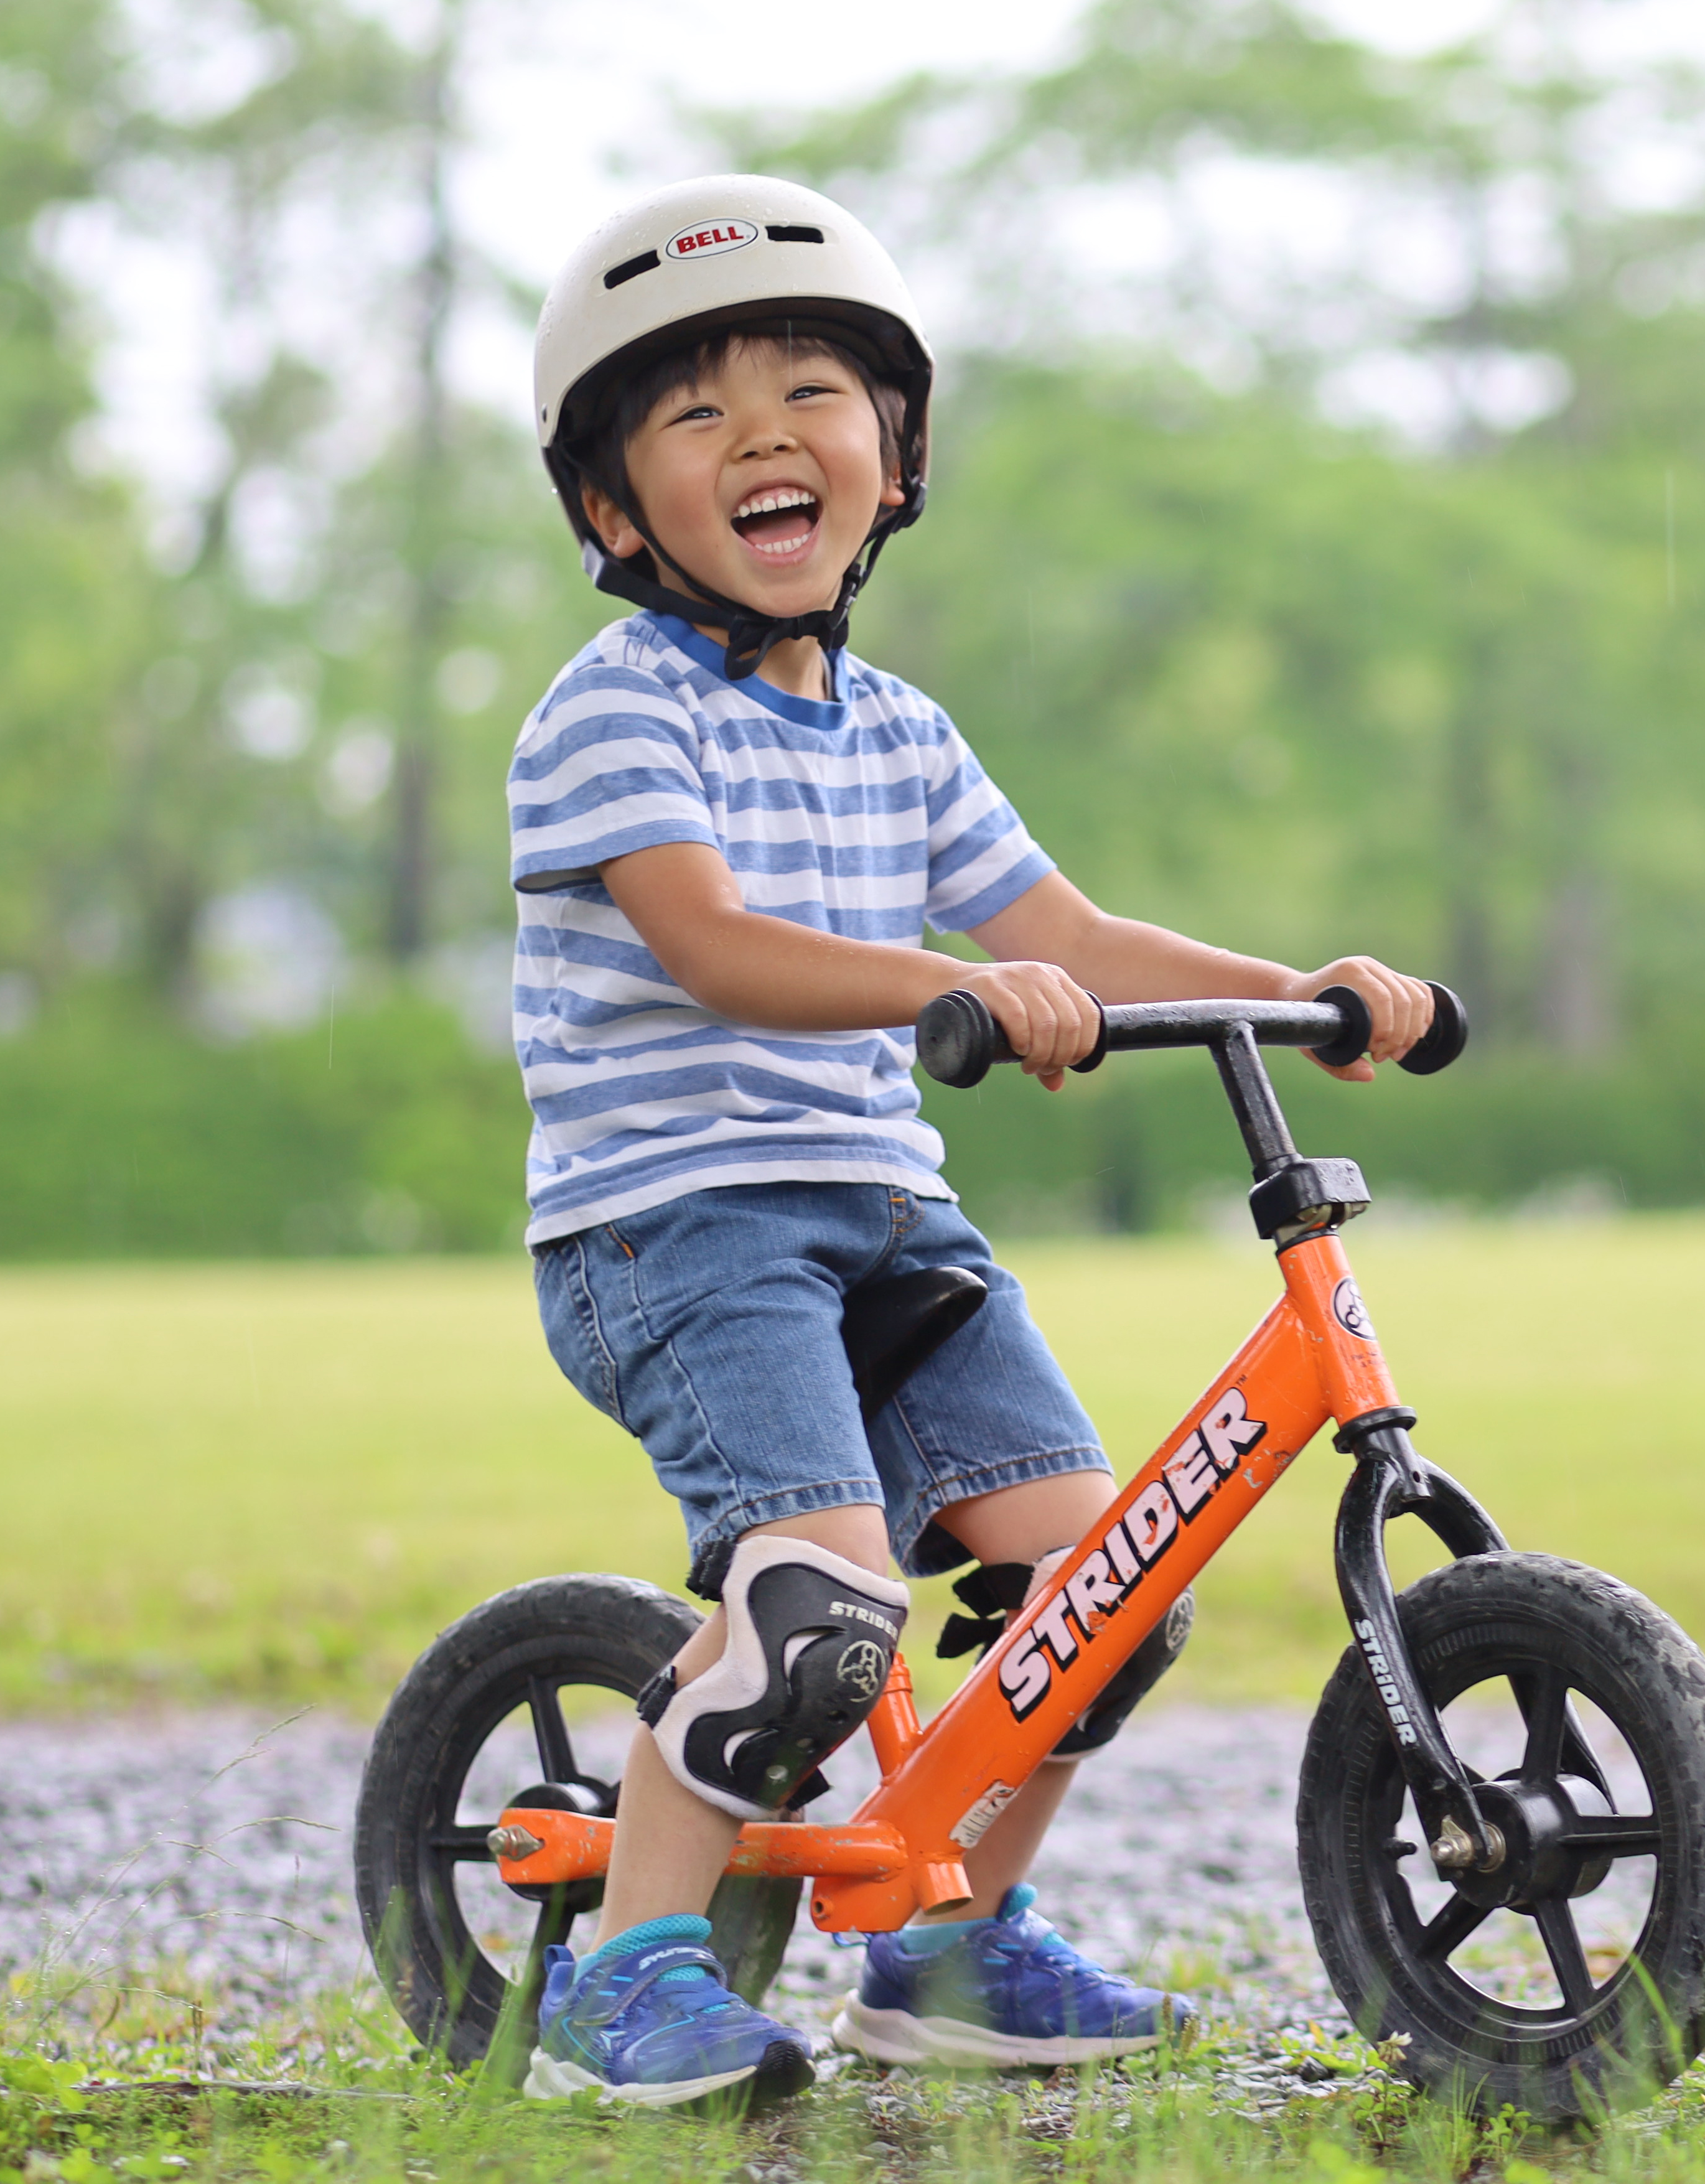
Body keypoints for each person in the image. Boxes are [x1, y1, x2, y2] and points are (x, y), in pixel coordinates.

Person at [500, 174, 1436, 2109]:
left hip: (883, 1225)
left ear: (894, 455)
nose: (764, 437)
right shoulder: (605, 717)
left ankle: (945, 1949)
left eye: (811, 393)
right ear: (615, 511)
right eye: (694, 416)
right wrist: (956, 988)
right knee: (823, 1612)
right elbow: (710, 944)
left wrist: (1311, 992)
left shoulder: (905, 734)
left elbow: (1073, 941)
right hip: (676, 1232)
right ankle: (626, 1974)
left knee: (1108, 1595)